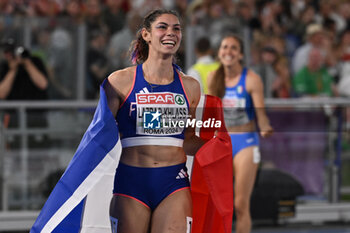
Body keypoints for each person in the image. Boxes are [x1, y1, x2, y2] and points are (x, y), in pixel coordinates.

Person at [105, 9, 203, 233]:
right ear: (146, 35)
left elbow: (187, 140)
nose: (171, 33)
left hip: (174, 182)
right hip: (132, 181)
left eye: (176, 28)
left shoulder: (190, 87)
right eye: (163, 27)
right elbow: (100, 135)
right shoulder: (119, 81)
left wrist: (217, 146)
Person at [207, 34, 273, 233]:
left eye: (233, 48)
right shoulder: (213, 77)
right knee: (217, 204)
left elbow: (261, 113)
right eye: (225, 47)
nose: (228, 51)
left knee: (240, 204)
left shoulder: (252, 80)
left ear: (241, 55)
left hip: (246, 142)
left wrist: (265, 127)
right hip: (222, 143)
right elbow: (211, 112)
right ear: (219, 52)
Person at [0, 38, 49, 128]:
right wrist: (13, 70)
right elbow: (2, 94)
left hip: (36, 116)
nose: (8, 55)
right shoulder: (4, 67)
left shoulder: (35, 61)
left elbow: (43, 84)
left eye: (11, 52)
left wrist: (27, 63)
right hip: (13, 118)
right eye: (6, 52)